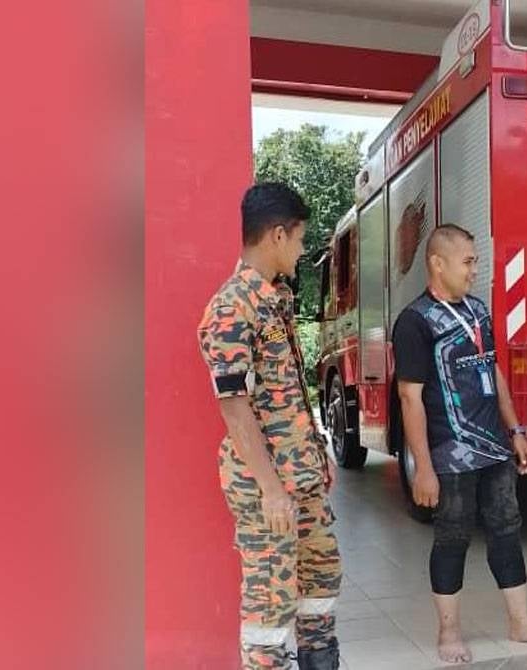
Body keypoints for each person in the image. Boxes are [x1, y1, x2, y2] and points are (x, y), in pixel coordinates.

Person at [392, 224, 527, 665]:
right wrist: (424, 468)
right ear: (438, 263)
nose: (475, 270)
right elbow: (408, 398)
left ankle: (521, 622)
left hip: (495, 448)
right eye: (468, 261)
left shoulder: (477, 311)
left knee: (507, 529)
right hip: (450, 455)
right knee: (452, 537)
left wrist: (516, 431)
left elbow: (495, 373)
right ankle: (448, 632)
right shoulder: (415, 322)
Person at [197, 183, 342, 670]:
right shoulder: (230, 308)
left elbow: (291, 397)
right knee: (270, 608)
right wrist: (272, 490)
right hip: (269, 488)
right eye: (301, 239)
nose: (303, 251)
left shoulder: (275, 298)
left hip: (302, 477)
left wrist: (318, 459)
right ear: (278, 235)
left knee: (320, 583)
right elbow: (235, 409)